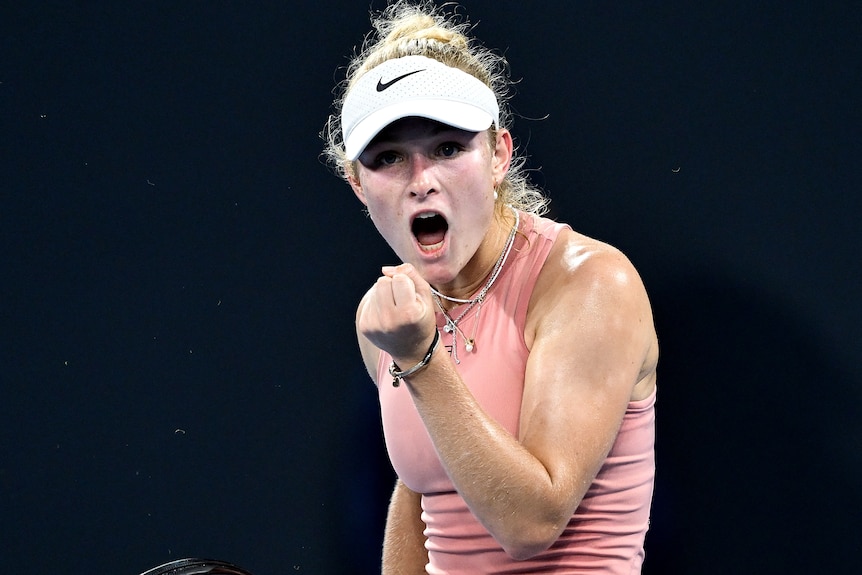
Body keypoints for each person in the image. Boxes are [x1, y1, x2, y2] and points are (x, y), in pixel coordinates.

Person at [322, 2, 658, 573]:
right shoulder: (389, 321)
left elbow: (531, 523)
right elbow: (422, 492)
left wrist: (422, 361)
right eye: (389, 159)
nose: (421, 181)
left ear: (499, 154)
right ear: (358, 186)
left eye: (448, 149)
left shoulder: (593, 284)